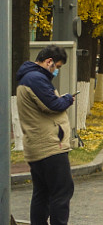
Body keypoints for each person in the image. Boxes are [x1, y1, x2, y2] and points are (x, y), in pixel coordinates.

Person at [16, 45, 76, 225]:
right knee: (61, 192)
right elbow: (53, 105)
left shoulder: (28, 78)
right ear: (49, 61)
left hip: (38, 146)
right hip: (49, 147)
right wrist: (67, 98)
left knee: (42, 193)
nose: (56, 71)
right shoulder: (35, 78)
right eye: (57, 67)